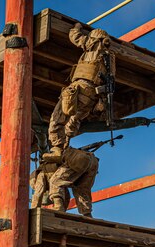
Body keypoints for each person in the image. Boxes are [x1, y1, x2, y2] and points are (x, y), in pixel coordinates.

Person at [47, 23, 114, 155]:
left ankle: (57, 148)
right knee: (73, 121)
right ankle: (65, 147)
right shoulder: (110, 57)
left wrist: (77, 27)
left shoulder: (93, 44)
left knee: (57, 118)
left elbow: (75, 36)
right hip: (92, 96)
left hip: (79, 89)